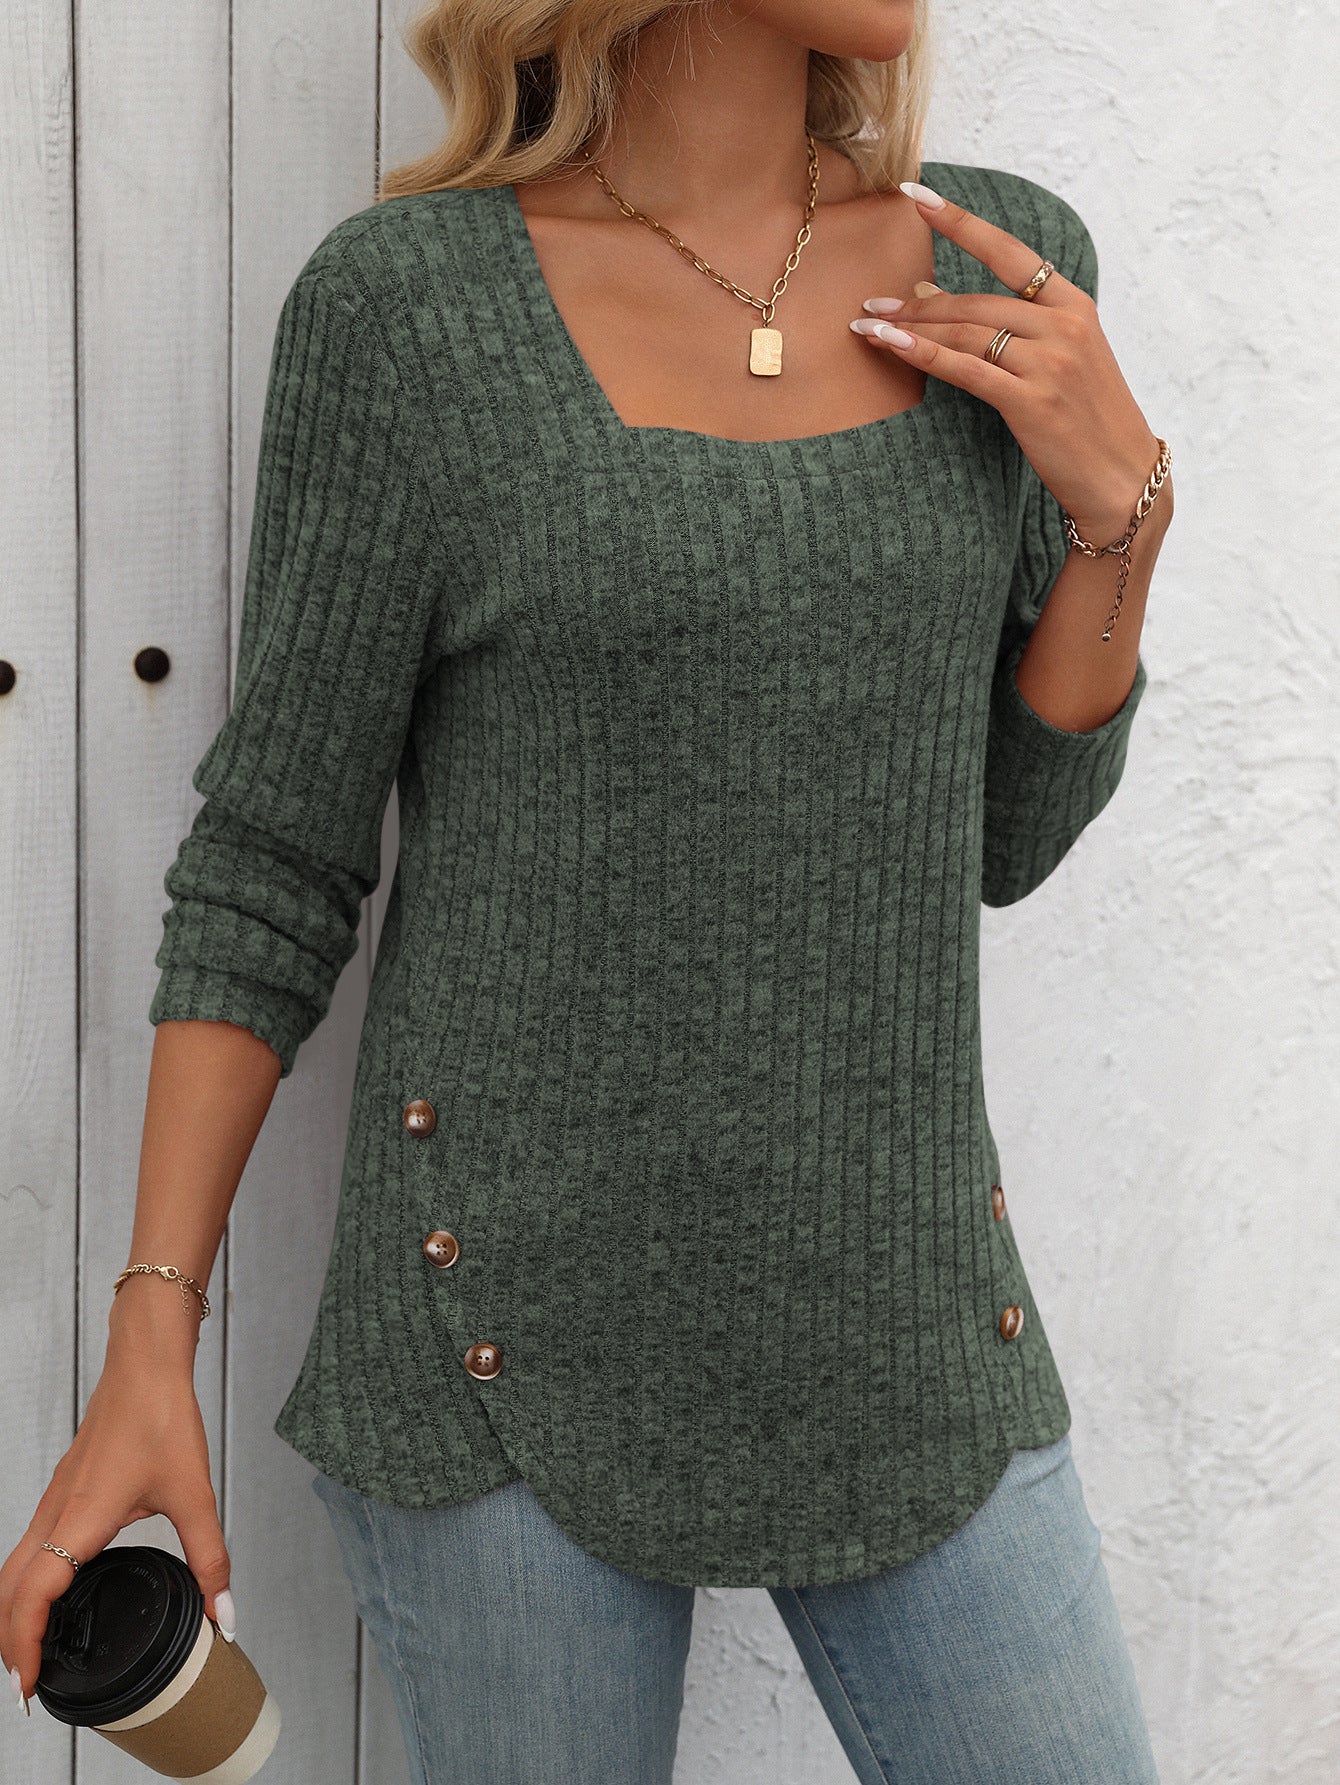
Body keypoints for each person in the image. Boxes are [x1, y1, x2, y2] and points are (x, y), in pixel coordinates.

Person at [1, 2, 1174, 1780]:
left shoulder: (997, 274)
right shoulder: (408, 315)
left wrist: (1118, 526)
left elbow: (999, 838)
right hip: (497, 1350)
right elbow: (274, 860)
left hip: (906, 1310)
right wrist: (149, 1338)